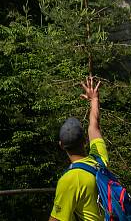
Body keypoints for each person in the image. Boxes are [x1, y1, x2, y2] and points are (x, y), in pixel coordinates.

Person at [50, 76, 107, 221]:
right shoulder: (99, 161)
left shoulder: (69, 180)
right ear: (85, 141)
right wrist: (94, 100)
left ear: (61, 146)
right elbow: (94, 126)